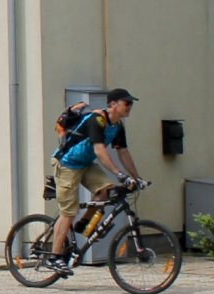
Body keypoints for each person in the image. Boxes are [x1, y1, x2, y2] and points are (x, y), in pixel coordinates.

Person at [48, 89, 143, 272]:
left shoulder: (117, 126)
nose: (130, 106)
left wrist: (136, 177)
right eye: (126, 103)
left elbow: (123, 152)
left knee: (105, 190)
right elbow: (99, 150)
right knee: (68, 212)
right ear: (113, 104)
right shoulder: (97, 120)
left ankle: (84, 226)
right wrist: (119, 173)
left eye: (131, 103)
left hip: (84, 164)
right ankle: (54, 257)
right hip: (66, 163)